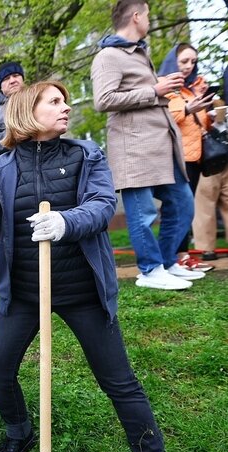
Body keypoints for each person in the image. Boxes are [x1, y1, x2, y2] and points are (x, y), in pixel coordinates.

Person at [0, 81, 191, 452]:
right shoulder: (0, 167)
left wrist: (65, 221)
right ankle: (19, 431)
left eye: (64, 100)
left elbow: (102, 203)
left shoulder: (83, 155)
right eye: (54, 101)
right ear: (27, 111)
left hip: (82, 291)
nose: (66, 107)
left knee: (120, 381)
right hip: (26, 293)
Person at [91, 0, 200, 290]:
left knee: (182, 204)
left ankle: (167, 263)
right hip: (134, 149)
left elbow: (139, 93)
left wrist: (161, 85)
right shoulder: (108, 56)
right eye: (148, 15)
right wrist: (154, 89)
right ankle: (150, 270)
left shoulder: (141, 52)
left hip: (161, 147)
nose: (150, 21)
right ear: (136, 16)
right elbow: (103, 100)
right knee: (143, 213)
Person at [157, 43, 217, 273]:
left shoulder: (193, 88)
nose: (188, 66)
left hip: (196, 156)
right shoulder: (166, 87)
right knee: (176, 208)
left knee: (185, 208)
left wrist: (212, 114)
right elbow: (164, 117)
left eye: (193, 61)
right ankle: (173, 258)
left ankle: (181, 256)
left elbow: (199, 123)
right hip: (176, 156)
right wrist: (188, 108)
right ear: (173, 61)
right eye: (184, 61)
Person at [193, 99, 228, 260]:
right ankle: (206, 249)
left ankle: (206, 249)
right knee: (209, 204)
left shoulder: (200, 105)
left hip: (209, 159)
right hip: (214, 159)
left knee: (204, 205)